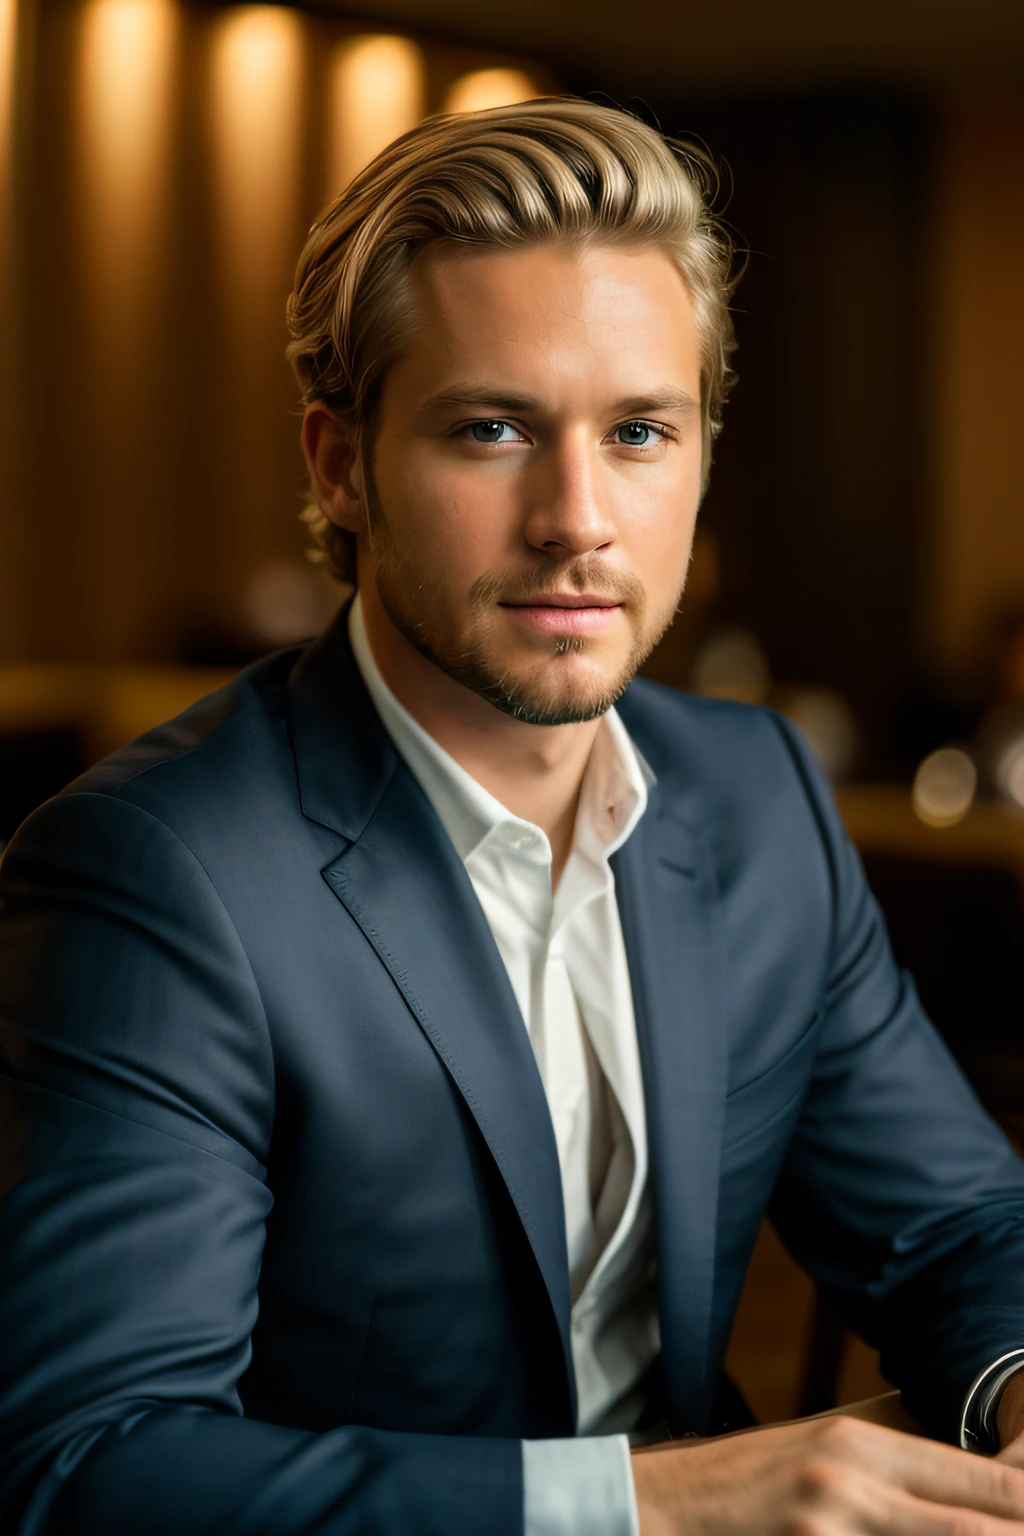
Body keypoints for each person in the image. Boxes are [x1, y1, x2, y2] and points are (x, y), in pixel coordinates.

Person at [2, 98, 1024, 1536]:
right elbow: (89, 1465)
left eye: (640, 432)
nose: (578, 517)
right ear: (340, 465)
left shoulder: (756, 794)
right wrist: (656, 1506)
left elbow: (962, 1226)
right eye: (492, 429)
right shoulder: (156, 869)